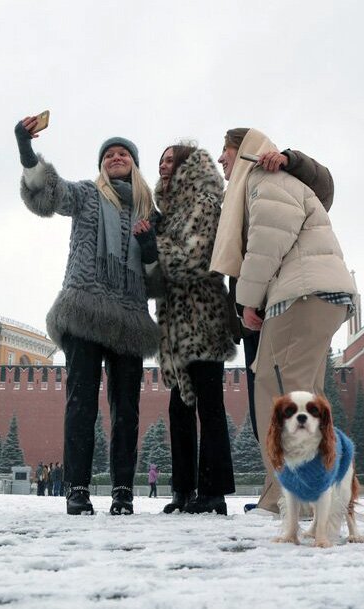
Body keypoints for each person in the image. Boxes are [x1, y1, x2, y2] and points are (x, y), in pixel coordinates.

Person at [210, 128, 358, 518]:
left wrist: (246, 301)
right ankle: (321, 497)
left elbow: (265, 244)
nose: (221, 161)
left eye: (224, 152)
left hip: (301, 294)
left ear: (241, 151)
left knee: (278, 393)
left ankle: (289, 498)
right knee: (305, 394)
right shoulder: (270, 184)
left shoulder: (265, 179)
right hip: (319, 293)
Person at [15, 115, 159, 515]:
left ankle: (123, 493)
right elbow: (48, 194)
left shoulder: (150, 212)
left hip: (129, 319)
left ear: (134, 163)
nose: (116, 157)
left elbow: (159, 277)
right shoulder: (86, 195)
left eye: (123, 153)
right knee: (81, 403)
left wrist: (148, 247)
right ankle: (77, 489)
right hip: (84, 311)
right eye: (109, 154)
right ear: (101, 165)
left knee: (126, 410)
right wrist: (27, 151)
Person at [133, 145, 236, 515]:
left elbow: (195, 260)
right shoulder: (170, 213)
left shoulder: (206, 203)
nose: (163, 165)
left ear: (187, 166)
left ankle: (213, 492)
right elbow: (162, 273)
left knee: (209, 406)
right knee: (179, 407)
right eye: (160, 160)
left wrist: (154, 244)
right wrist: (150, 247)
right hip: (175, 328)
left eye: (170, 159)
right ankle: (181, 490)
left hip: (202, 319)